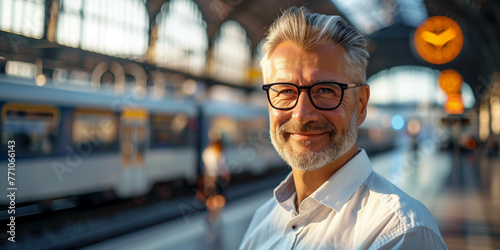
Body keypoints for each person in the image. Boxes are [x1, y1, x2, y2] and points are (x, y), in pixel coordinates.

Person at [239, 6, 447, 249]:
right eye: (285, 91)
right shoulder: (263, 221)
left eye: (326, 90)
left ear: (360, 104)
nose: (302, 114)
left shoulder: (399, 232)